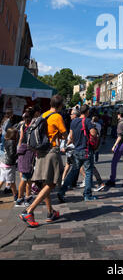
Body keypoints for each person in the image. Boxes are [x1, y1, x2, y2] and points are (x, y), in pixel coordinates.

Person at [19, 94, 67, 228]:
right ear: (60, 105)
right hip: (51, 151)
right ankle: (29, 211)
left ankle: (51, 212)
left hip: (40, 151)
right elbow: (65, 134)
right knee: (51, 183)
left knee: (46, 183)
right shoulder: (57, 116)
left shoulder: (44, 115)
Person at [57, 104, 99, 203]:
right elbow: (93, 134)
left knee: (73, 171)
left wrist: (67, 145)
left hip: (76, 151)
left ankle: (62, 191)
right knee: (88, 172)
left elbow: (71, 137)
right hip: (86, 150)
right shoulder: (88, 121)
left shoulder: (74, 122)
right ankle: (87, 195)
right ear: (87, 112)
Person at [105, 109, 123, 188]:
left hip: (121, 145)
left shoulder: (120, 123)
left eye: (117, 114)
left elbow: (120, 136)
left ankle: (112, 180)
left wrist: (114, 146)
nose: (117, 115)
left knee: (114, 162)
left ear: (120, 114)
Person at [15, 109, 36, 207]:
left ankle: (27, 197)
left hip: (22, 150)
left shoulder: (22, 126)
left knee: (26, 176)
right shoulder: (32, 126)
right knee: (25, 177)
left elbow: (20, 138)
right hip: (28, 151)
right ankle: (19, 199)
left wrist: (18, 150)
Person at [0, 127, 19, 201]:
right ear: (13, 134)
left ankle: (16, 195)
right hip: (9, 164)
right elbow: (12, 154)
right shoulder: (12, 142)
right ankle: (16, 196)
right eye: (16, 134)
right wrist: (18, 154)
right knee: (11, 181)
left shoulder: (6, 140)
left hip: (3, 162)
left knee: (2, 180)